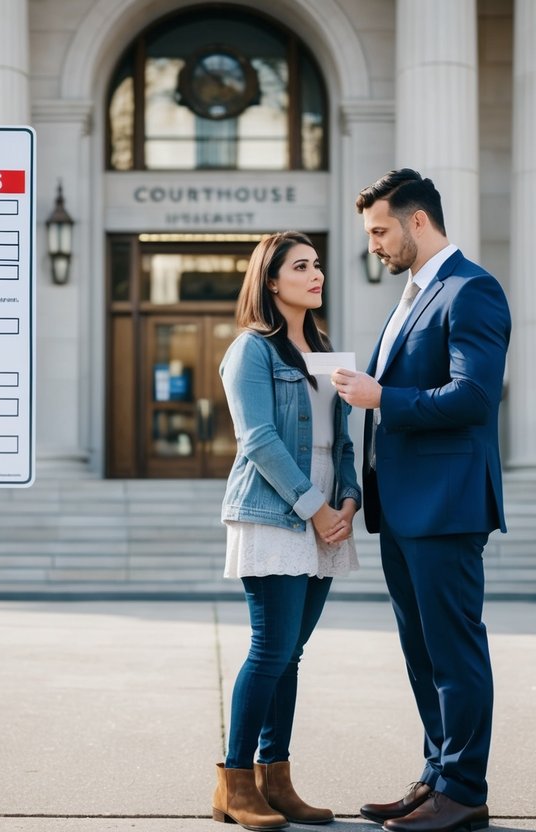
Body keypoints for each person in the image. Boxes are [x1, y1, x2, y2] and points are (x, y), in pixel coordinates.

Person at [331, 170, 511, 832]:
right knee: (422, 651)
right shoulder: (412, 294)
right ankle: (437, 774)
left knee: (453, 650)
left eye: (379, 230)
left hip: (445, 505)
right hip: (401, 506)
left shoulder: (471, 290)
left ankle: (463, 789)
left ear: (415, 222)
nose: (373, 244)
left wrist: (382, 399)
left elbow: (473, 397)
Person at [212, 231, 362, 831]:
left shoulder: (328, 353)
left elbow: (342, 438)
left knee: (291, 655)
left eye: (318, 264)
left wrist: (347, 498)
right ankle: (234, 781)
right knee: (271, 648)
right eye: (301, 266)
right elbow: (258, 441)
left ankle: (277, 778)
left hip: (326, 505)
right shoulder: (251, 350)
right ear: (271, 282)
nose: (316, 274)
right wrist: (313, 506)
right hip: (276, 507)